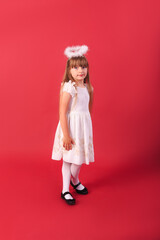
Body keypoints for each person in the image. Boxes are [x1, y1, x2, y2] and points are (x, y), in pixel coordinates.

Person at [51, 45, 94, 205]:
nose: (80, 70)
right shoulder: (70, 87)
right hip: (69, 128)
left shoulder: (88, 88)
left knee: (78, 160)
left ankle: (74, 180)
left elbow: (85, 111)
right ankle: (65, 190)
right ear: (69, 70)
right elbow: (62, 112)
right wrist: (66, 135)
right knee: (69, 160)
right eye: (75, 67)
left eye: (83, 66)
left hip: (81, 129)